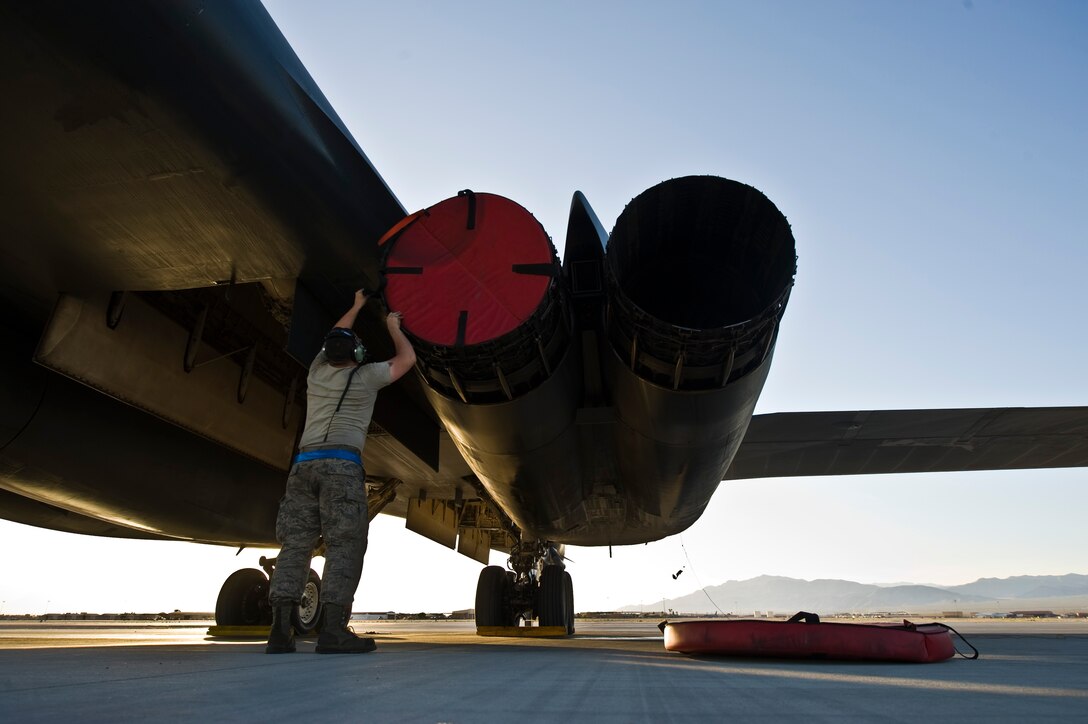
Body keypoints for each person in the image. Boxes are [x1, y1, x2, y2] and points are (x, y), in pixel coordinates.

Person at [265, 289, 416, 654]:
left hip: (302, 467)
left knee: (295, 545)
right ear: (357, 355)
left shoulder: (316, 373)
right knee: (344, 545)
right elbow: (406, 358)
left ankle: (280, 632)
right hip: (341, 467)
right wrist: (392, 325)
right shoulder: (367, 377)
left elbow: (334, 336)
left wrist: (355, 306)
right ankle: (333, 631)